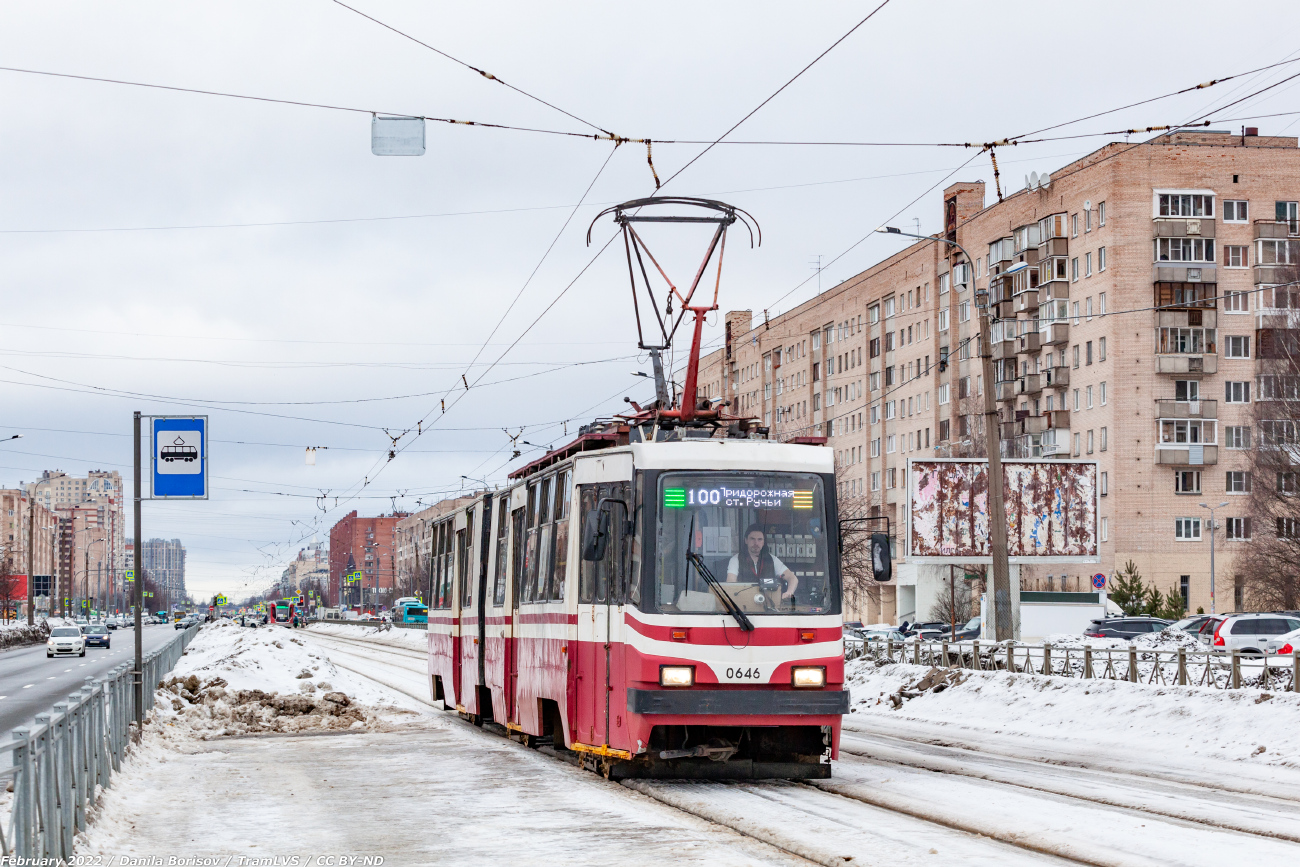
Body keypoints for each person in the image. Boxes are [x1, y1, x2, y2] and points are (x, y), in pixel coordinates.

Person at [726, 524, 799, 600]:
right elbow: (730, 583)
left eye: (760, 539)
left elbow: (792, 578)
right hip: (744, 603)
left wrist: (789, 592)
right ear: (746, 540)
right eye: (752, 539)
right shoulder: (736, 559)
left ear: (764, 542)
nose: (756, 543)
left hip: (769, 604)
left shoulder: (772, 559)